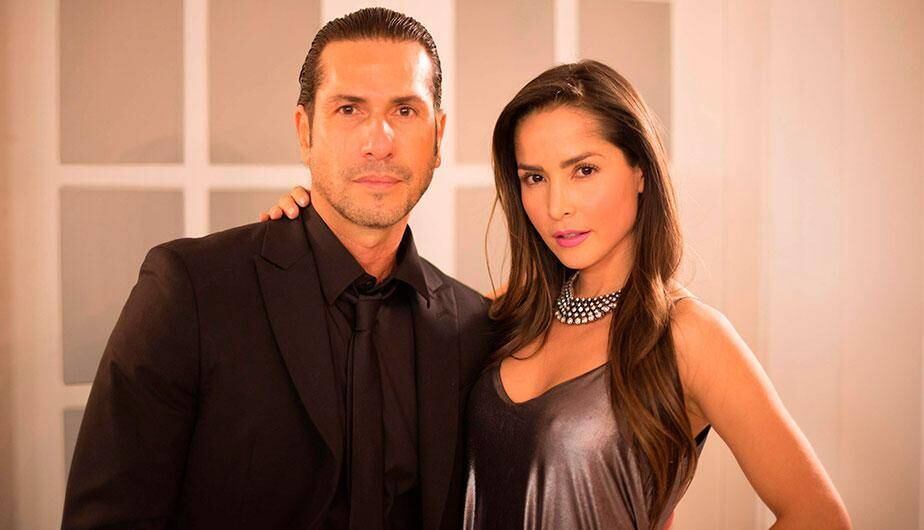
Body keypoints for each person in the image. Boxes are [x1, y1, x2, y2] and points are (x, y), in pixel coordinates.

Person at [264, 61, 852, 529]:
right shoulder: (509, 313)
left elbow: (819, 516)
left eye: (584, 170)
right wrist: (319, 232)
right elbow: (373, 337)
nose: (556, 206)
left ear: (641, 170)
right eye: (535, 178)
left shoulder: (687, 336)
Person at [63, 8, 495, 530]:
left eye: (405, 110)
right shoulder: (190, 292)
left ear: (438, 136)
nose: (378, 142)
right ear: (304, 131)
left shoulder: (476, 328)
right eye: (349, 109)